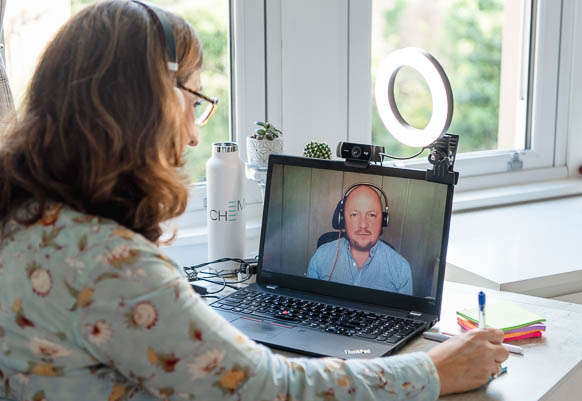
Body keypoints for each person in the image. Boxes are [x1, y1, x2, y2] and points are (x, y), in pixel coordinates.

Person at [0, 1, 508, 400]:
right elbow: (270, 390)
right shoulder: (109, 265)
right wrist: (432, 369)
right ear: (148, 102)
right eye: (195, 102)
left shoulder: (25, 219)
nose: (194, 139)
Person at [307, 184, 413, 295]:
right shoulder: (320, 256)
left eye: (371, 215)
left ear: (383, 221)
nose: (363, 225)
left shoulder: (401, 268)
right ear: (342, 220)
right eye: (354, 214)